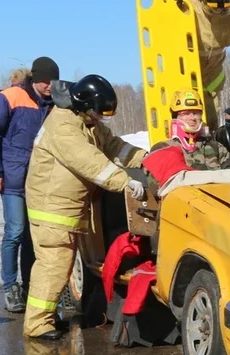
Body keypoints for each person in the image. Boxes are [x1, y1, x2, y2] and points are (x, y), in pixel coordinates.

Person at [23, 75, 147, 341]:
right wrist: (124, 181)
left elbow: (114, 147)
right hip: (52, 209)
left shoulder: (87, 121)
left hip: (66, 209)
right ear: (82, 103)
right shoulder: (63, 126)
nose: (99, 118)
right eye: (96, 112)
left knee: (60, 266)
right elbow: (90, 161)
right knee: (53, 265)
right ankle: (37, 324)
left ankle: (44, 317)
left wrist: (145, 157)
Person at [0, 56, 58, 313]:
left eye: (53, 81)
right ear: (35, 78)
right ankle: (10, 287)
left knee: (31, 237)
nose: (49, 86)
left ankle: (29, 285)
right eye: (45, 81)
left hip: (40, 181)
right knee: (15, 231)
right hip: (12, 178)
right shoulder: (10, 97)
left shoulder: (54, 104)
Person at [174, 0, 230, 128]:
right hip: (185, 75)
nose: (219, 11)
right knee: (185, 122)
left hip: (212, 76)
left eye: (225, 8)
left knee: (209, 124)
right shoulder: (184, 4)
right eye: (213, 8)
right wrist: (165, 8)